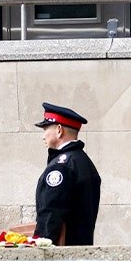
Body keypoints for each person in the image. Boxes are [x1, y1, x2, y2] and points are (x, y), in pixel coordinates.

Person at [33, 103, 102, 246]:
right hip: (81, 248)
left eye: (45, 129)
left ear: (59, 130)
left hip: (62, 252)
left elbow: (50, 214)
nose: (43, 136)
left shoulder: (61, 166)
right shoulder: (84, 161)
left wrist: (38, 246)